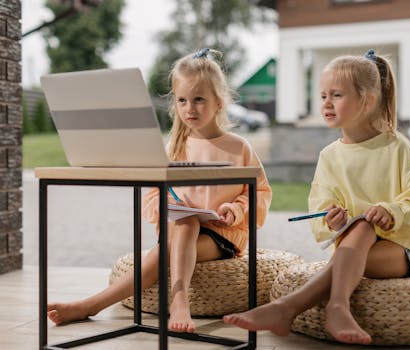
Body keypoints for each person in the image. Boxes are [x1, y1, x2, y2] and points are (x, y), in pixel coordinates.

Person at [47, 48, 272, 333]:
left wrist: (235, 209)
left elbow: (260, 191)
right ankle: (93, 305)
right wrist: (168, 206)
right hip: (178, 229)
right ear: (175, 104)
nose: (190, 108)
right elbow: (154, 195)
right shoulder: (172, 148)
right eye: (182, 100)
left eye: (199, 100)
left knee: (181, 229)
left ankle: (95, 305)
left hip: (223, 236)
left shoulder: (238, 147)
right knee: (185, 221)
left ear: (218, 102)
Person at [223, 50, 410, 345]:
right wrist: (332, 219)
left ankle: (298, 306)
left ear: (369, 100)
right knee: (358, 230)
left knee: (362, 227)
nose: (326, 103)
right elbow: (321, 209)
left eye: (337, 95)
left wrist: (392, 212)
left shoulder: (397, 148)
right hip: (350, 249)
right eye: (323, 95)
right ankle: (317, 308)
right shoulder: (330, 157)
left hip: (399, 252)